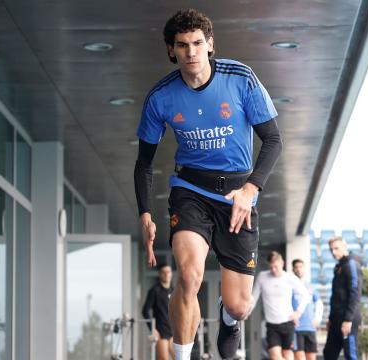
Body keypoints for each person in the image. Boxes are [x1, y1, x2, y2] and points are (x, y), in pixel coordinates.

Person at [133, 8, 283, 360]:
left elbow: (273, 140)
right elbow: (144, 163)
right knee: (188, 275)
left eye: (198, 43)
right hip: (190, 191)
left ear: (210, 43)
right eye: (182, 46)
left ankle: (228, 322)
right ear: (172, 50)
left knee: (239, 305)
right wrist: (144, 213)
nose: (191, 53)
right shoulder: (161, 98)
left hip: (237, 194)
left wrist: (251, 189)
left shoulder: (241, 79)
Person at [249, 251, 311, 360]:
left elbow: (305, 295)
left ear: (282, 263)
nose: (273, 270)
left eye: (276, 267)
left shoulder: (290, 278)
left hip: (288, 323)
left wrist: (298, 312)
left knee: (288, 355)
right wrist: (246, 313)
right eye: (271, 267)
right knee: (275, 357)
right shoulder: (262, 277)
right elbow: (254, 298)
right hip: (272, 325)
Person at [323, 236, 362, 360]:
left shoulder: (351, 264)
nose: (333, 252)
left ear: (345, 247)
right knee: (329, 353)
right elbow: (336, 296)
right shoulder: (339, 266)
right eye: (331, 249)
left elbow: (354, 293)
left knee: (350, 354)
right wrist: (330, 318)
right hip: (336, 318)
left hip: (347, 318)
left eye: (336, 248)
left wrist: (348, 320)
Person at [291, 259, 324, 360]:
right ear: (293, 269)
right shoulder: (290, 286)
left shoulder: (310, 286)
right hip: (296, 328)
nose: (299, 269)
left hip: (310, 328)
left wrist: (317, 318)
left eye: (301, 267)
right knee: (299, 358)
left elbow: (319, 303)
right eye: (296, 267)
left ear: (304, 269)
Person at [142, 263, 175, 360]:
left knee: (179, 357)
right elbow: (145, 311)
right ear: (160, 274)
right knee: (163, 359)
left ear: (171, 274)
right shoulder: (154, 291)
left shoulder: (174, 291)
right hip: (161, 331)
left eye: (168, 272)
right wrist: (152, 329)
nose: (166, 274)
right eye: (163, 272)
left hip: (173, 331)